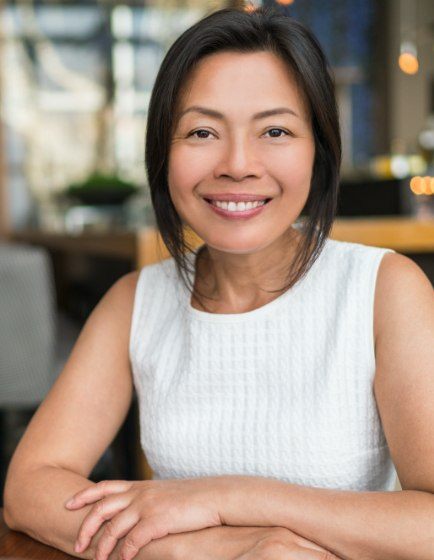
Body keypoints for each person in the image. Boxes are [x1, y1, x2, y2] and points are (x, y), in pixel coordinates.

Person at [4, 5, 434, 560]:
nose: (237, 164)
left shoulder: (383, 289)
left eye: (275, 130)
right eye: (202, 131)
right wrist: (211, 548)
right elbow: (29, 488)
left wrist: (226, 497)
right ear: (163, 151)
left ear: (318, 153)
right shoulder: (135, 301)